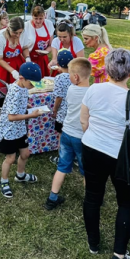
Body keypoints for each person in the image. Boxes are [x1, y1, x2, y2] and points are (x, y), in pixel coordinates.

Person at [80, 48, 130, 259]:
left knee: (92, 196)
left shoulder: (93, 89)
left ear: (106, 69)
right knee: (126, 201)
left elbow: (84, 120)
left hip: (92, 148)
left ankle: (93, 243)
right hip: (121, 157)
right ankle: (119, 254)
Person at [44, 57, 90, 211]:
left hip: (66, 133)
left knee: (62, 166)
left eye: (70, 74)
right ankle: (90, 199)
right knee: (86, 170)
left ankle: (52, 197)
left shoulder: (71, 89)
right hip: (81, 136)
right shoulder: (91, 93)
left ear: (75, 77)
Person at [0, 62, 44, 198]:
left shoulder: (22, 87)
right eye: (32, 84)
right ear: (22, 78)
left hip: (20, 129)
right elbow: (11, 117)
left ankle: (20, 175)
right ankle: (3, 181)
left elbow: (19, 103)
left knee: (25, 154)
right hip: (9, 130)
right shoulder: (14, 92)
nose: (33, 86)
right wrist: (31, 115)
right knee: (10, 158)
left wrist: (27, 105)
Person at [0, 17, 28, 120]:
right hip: (2, 65)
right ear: (9, 28)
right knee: (0, 90)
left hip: (16, 62)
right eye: (15, 33)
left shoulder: (22, 34)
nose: (18, 35)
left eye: (20, 33)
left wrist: (28, 58)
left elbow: (25, 48)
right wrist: (13, 71)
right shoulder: (0, 37)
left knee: (15, 90)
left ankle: (11, 111)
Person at [23, 5, 56, 77]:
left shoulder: (49, 24)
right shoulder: (26, 26)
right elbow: (22, 46)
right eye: (36, 18)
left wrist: (46, 51)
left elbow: (51, 44)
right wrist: (27, 59)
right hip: (29, 58)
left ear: (45, 16)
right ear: (32, 16)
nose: (38, 21)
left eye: (41, 18)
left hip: (42, 60)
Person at [51, 50, 75, 139]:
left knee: (61, 137)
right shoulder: (76, 76)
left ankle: (61, 152)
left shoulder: (59, 78)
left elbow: (59, 97)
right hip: (73, 110)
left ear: (58, 63)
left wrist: (55, 109)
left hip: (62, 113)